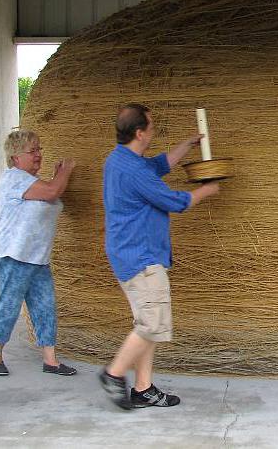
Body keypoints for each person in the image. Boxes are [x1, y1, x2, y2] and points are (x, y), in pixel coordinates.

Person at [99, 103, 221, 409]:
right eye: (151, 127)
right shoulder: (132, 171)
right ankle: (113, 374)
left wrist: (186, 146)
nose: (154, 131)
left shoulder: (121, 160)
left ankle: (143, 388)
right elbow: (173, 200)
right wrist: (208, 189)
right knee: (152, 325)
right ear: (140, 133)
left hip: (130, 252)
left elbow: (157, 165)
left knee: (147, 324)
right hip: (140, 256)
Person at [0, 130, 78, 376]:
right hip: (14, 256)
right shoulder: (13, 178)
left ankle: (50, 360)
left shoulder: (33, 182)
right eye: (32, 151)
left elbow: (49, 190)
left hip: (37, 257)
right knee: (9, 306)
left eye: (39, 149)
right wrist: (65, 171)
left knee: (45, 307)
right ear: (16, 157)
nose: (39, 155)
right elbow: (51, 193)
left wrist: (58, 177)